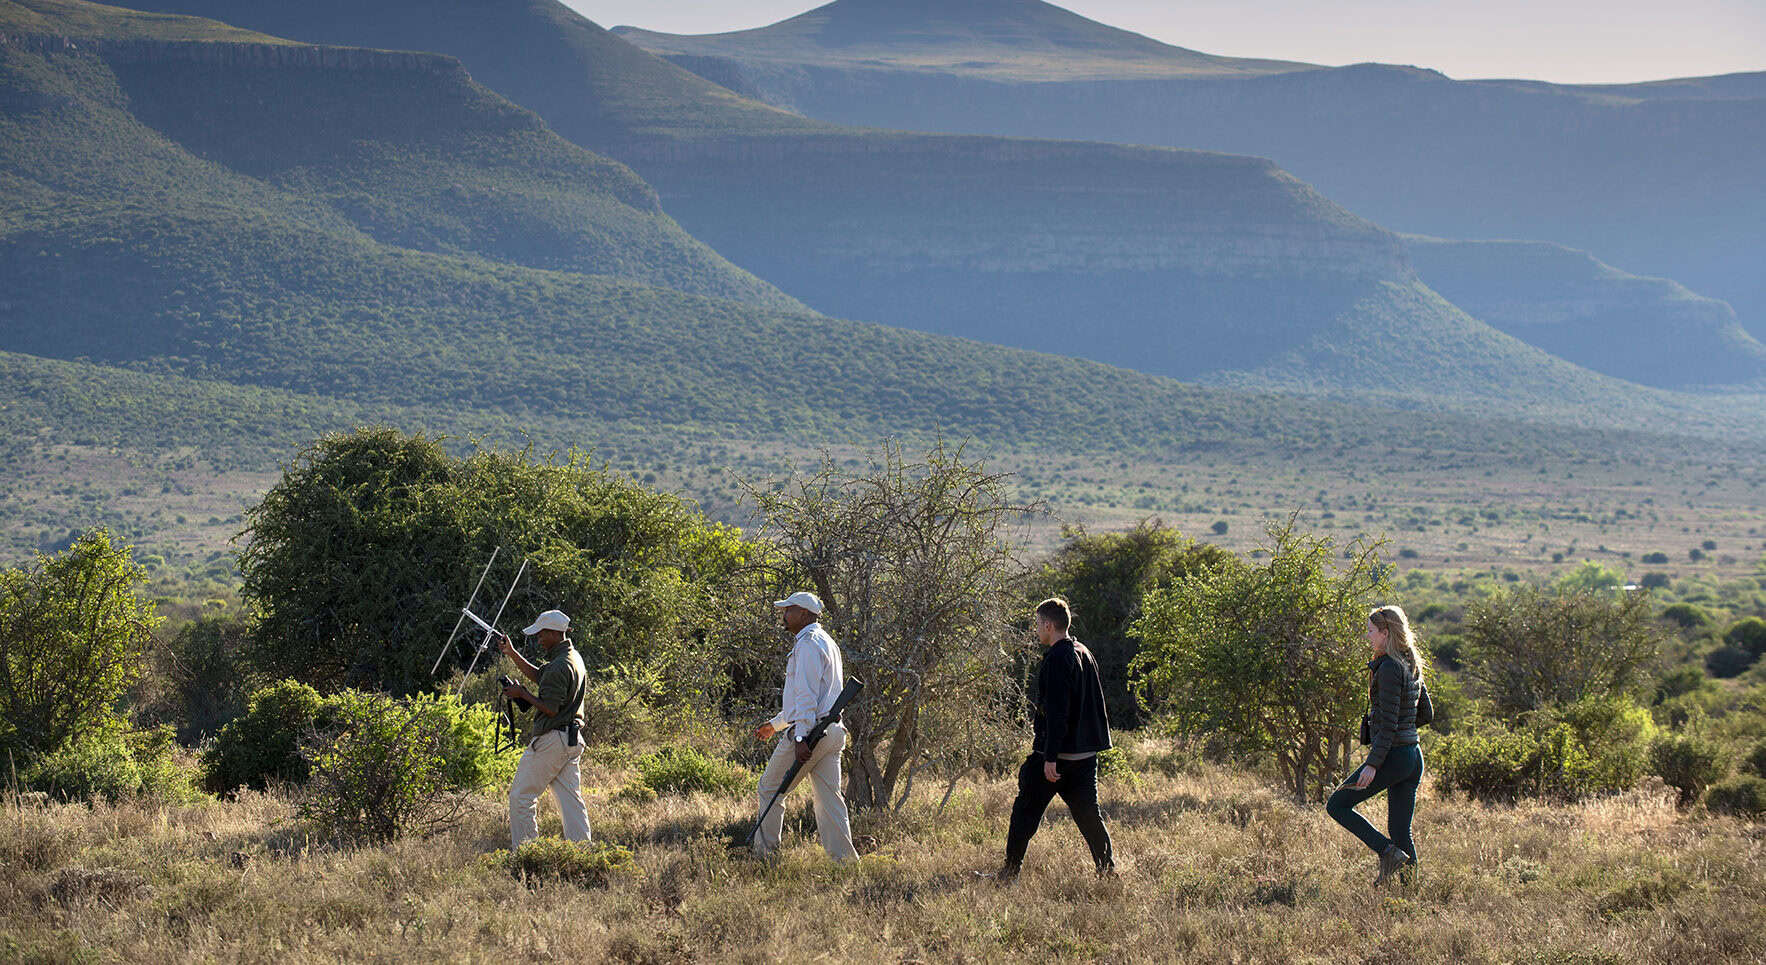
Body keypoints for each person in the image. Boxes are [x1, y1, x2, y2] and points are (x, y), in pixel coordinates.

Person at [999, 597, 1115, 881]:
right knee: (1090, 818)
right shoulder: (1083, 651)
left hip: (1057, 759)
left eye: (1038, 624)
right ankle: (1108, 873)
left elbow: (1057, 713)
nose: (1037, 630)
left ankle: (1010, 873)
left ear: (1049, 625)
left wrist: (1050, 758)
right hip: (1085, 757)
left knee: (1024, 811)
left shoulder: (1057, 658)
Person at [752, 590, 857, 862]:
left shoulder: (808, 644)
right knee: (829, 800)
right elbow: (811, 700)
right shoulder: (825, 641)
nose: (784, 615)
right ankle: (845, 863)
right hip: (832, 731)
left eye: (789, 610)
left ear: (805, 614)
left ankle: (766, 858)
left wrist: (799, 740)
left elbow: (807, 699)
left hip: (812, 734)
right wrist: (775, 725)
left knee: (770, 789)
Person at [1327, 604, 1426, 885]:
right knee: (1400, 831)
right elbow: (1426, 713)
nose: (1367, 636)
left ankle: (1387, 853)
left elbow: (1390, 723)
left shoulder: (1390, 668)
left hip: (1394, 756)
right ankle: (1410, 893)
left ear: (1385, 633)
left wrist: (1373, 764)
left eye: (1371, 631)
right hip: (1413, 756)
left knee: (1337, 805)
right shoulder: (1411, 662)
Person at [496, 608, 589, 851]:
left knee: (521, 797)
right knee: (571, 802)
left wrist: (522, 694)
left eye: (540, 635)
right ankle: (584, 856)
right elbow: (541, 677)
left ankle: (528, 856)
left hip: (552, 741)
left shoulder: (560, 665)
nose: (538, 639)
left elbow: (550, 709)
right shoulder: (571, 657)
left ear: (553, 633)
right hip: (570, 740)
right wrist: (512, 653)